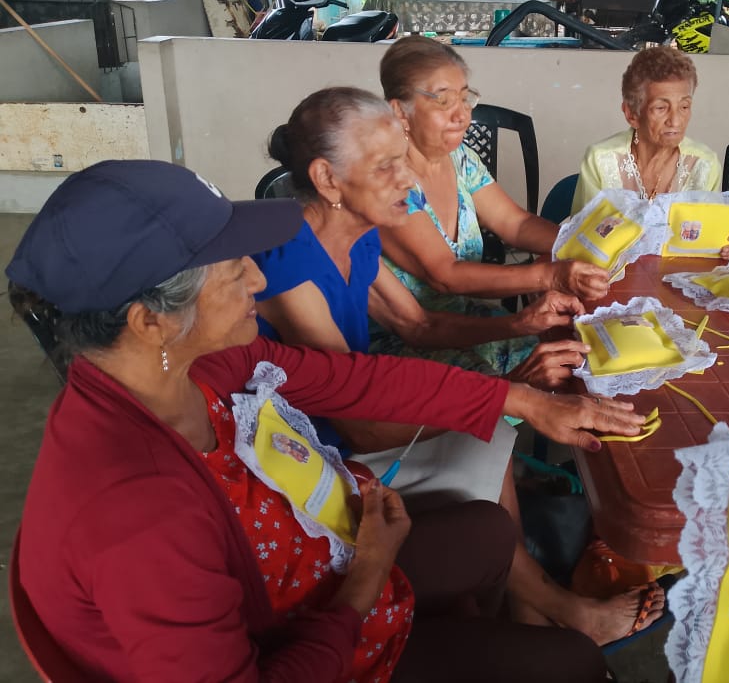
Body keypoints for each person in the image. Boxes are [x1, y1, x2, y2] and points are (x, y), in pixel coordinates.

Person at [6, 160, 646, 682]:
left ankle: (500, 625)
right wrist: (366, 578)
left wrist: (526, 402)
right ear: (151, 322)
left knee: (487, 532)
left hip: (316, 576)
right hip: (313, 639)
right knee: (572, 663)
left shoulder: (198, 367)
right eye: (232, 270)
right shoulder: (138, 514)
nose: (257, 276)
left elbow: (355, 380)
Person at [254, 86, 666, 646]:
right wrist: (510, 390)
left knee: (493, 439)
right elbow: (358, 424)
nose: (408, 179)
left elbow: (419, 325)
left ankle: (524, 619)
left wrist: (520, 324)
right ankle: (553, 614)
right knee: (490, 440)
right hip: (317, 456)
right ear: (328, 179)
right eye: (387, 166)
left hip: (357, 422)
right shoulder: (289, 264)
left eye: (403, 159)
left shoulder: (356, 233)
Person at [375, 35, 610, 373]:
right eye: (444, 101)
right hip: (409, 342)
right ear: (400, 111)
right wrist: (550, 275)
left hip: (465, 320)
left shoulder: (460, 159)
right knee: (552, 375)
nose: (462, 114)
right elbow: (445, 275)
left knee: (577, 356)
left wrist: (583, 246)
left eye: (464, 97)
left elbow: (515, 224)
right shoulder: (387, 182)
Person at [570, 47, 729, 259]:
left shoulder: (704, 164)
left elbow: (706, 244)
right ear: (632, 114)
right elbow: (584, 243)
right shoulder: (600, 160)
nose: (675, 121)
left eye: (684, 107)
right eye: (661, 108)